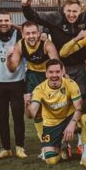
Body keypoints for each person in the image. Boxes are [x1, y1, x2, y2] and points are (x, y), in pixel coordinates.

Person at [21, 0, 86, 86]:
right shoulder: (55, 18)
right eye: (68, 11)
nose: (71, 14)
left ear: (80, 11)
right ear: (63, 10)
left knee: (81, 94)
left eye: (75, 11)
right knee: (64, 95)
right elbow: (35, 17)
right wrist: (26, 7)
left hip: (81, 66)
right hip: (62, 64)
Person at [7, 20, 58, 153]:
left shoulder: (47, 44)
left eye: (34, 33)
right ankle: (45, 144)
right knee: (34, 113)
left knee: (53, 111)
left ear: (38, 33)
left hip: (48, 77)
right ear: (23, 34)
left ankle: (60, 142)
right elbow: (12, 68)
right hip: (32, 78)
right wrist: (9, 57)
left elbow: (56, 65)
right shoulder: (20, 45)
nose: (31, 36)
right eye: (28, 33)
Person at [0, 11, 27, 160]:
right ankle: (6, 148)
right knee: (2, 118)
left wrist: (15, 26)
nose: (3, 23)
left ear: (11, 21)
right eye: (0, 21)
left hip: (17, 82)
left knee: (18, 117)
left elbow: (28, 30)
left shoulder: (19, 35)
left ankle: (20, 147)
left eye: (6, 20)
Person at [27, 59, 84, 165]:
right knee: (50, 160)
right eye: (51, 72)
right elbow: (31, 115)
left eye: (57, 72)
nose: (54, 75)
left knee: (85, 118)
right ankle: (62, 146)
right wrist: (27, 106)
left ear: (62, 72)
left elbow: (80, 108)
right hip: (51, 124)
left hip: (69, 118)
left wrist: (72, 123)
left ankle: (85, 146)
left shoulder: (71, 84)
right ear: (46, 73)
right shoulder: (39, 89)